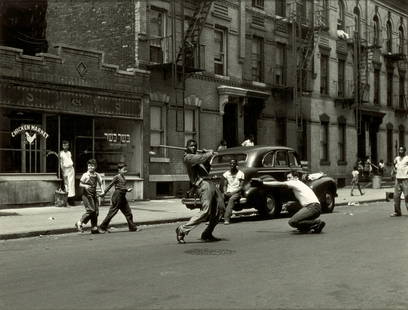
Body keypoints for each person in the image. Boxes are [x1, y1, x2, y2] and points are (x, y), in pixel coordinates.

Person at [175, 139, 225, 243]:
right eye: (191, 146)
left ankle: (207, 233)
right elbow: (201, 158)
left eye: (195, 146)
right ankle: (182, 229)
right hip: (202, 185)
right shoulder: (188, 157)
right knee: (206, 211)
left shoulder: (198, 157)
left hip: (210, 183)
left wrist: (207, 157)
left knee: (220, 209)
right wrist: (208, 153)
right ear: (187, 147)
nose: (194, 147)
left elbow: (206, 167)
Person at [259, 171, 326, 233]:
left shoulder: (294, 182)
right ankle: (306, 227)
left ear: (296, 178)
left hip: (312, 207)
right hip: (316, 208)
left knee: (292, 222)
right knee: (290, 206)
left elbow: (279, 184)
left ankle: (316, 223)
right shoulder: (300, 184)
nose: (288, 180)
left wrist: (263, 183)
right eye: (287, 178)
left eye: (289, 178)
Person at [98, 162, 138, 233]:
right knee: (112, 213)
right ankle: (102, 227)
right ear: (119, 170)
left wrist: (126, 189)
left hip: (122, 197)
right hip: (117, 196)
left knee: (128, 212)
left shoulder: (123, 177)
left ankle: (132, 227)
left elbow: (122, 186)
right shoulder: (116, 177)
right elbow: (110, 185)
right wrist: (104, 193)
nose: (126, 171)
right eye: (124, 169)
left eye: (126, 169)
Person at [75, 159, 104, 234]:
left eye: (92, 166)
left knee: (96, 212)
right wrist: (85, 186)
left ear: (95, 166)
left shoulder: (97, 175)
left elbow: (101, 183)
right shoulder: (85, 175)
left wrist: (102, 191)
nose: (90, 167)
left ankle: (94, 228)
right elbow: (80, 184)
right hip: (87, 196)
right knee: (91, 211)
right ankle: (80, 222)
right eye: (89, 166)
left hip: (94, 195)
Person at [222, 159, 245, 225]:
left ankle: (226, 219)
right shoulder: (226, 174)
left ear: (236, 165)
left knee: (231, 200)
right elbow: (225, 185)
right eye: (231, 163)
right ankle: (212, 218)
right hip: (228, 192)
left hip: (237, 193)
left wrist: (233, 192)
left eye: (233, 163)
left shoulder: (241, 174)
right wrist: (225, 191)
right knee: (219, 199)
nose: (232, 165)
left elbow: (241, 187)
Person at [390, 146, 408, 217]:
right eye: (399, 150)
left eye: (402, 150)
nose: (400, 151)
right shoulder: (397, 158)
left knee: (407, 196)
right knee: (396, 196)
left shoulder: (407, 158)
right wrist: (393, 172)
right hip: (398, 179)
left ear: (404, 151)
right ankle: (397, 212)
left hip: (405, 179)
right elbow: (394, 166)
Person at [59, 140, 75, 205]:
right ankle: (67, 200)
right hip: (65, 169)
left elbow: (70, 160)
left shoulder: (69, 152)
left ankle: (71, 200)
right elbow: (61, 163)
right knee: (66, 184)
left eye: (67, 145)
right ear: (62, 146)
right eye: (64, 145)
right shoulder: (61, 153)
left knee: (71, 184)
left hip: (71, 169)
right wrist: (63, 172)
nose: (66, 146)